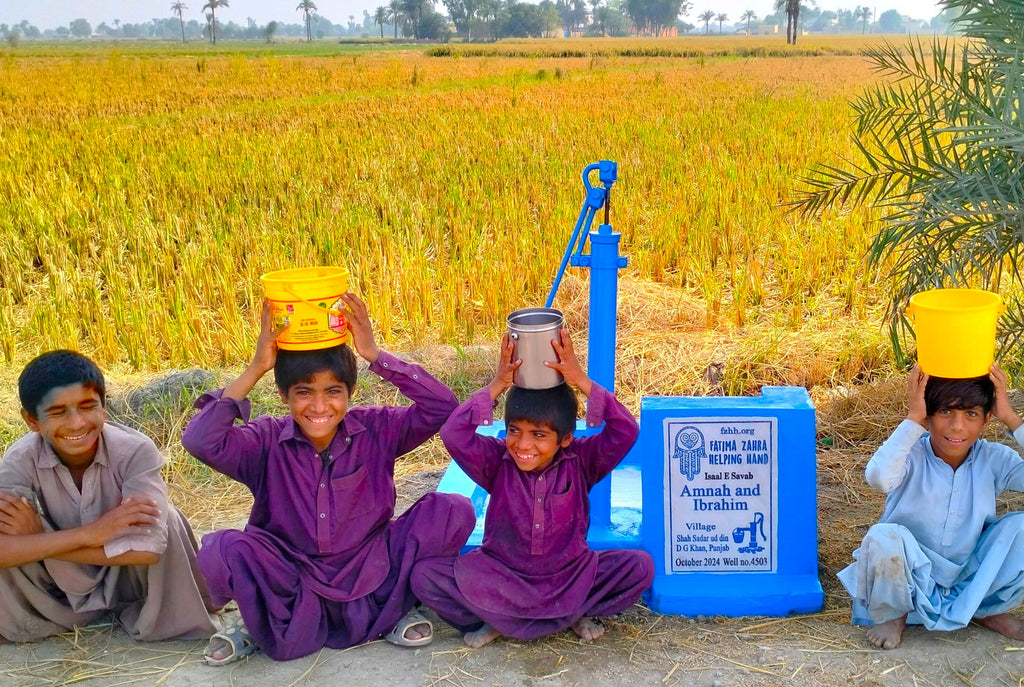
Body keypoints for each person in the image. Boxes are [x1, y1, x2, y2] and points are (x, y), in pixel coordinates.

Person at [181, 294, 474, 664]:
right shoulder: (265, 440)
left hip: (372, 568)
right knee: (222, 548)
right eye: (304, 393)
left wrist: (374, 354)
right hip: (293, 579)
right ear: (284, 395)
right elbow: (198, 440)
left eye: (333, 392)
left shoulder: (377, 428)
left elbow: (443, 408)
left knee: (451, 509)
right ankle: (258, 622)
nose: (319, 407)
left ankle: (394, 607)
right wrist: (256, 366)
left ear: (350, 392)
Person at [411, 330, 654, 648]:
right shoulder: (496, 460)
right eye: (514, 430)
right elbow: (453, 433)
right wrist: (497, 384)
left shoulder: (582, 460)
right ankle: (527, 618)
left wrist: (581, 380)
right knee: (424, 576)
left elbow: (625, 429)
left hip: (567, 579)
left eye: (539, 435)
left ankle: (544, 615)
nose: (522, 445)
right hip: (501, 578)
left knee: (640, 567)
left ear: (565, 438)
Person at [0, 350, 219, 643]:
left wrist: (39, 538)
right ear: (32, 421)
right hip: (55, 589)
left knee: (166, 517)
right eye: (58, 412)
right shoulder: (19, 460)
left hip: (128, 580)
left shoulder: (135, 451)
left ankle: (155, 615)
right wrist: (92, 534)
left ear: (104, 407)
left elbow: (149, 550)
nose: (77, 423)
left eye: (88, 406)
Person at [838, 364, 1024, 649]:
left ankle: (984, 609)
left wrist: (1011, 418)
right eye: (945, 412)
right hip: (910, 575)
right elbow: (878, 478)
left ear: (987, 419)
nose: (957, 426)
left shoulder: (994, 458)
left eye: (971, 414)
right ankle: (894, 614)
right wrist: (913, 419)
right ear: (929, 416)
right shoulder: (910, 454)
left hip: (970, 575)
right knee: (883, 537)